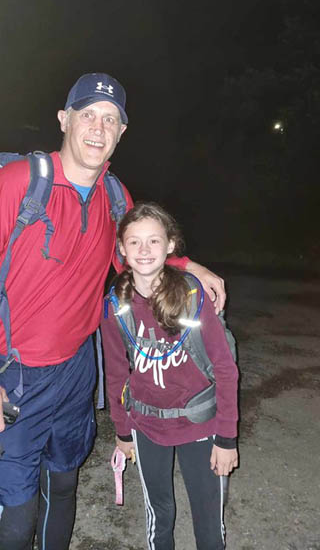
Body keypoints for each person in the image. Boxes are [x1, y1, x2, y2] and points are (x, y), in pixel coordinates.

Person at [0, 72, 226, 550]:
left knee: (64, 483)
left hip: (76, 369)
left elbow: (134, 258)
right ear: (64, 119)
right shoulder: (14, 186)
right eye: (88, 115)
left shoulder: (115, 198)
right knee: (17, 512)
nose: (98, 128)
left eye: (110, 119)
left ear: (121, 132)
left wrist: (189, 265)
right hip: (13, 373)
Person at [101, 202, 239, 550]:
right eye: (134, 242)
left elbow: (225, 368)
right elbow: (116, 374)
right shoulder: (115, 305)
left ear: (170, 246)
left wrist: (226, 438)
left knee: (208, 519)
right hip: (146, 425)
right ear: (121, 249)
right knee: (158, 514)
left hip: (199, 424)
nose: (144, 250)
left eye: (154, 241)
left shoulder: (193, 294)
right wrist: (122, 432)